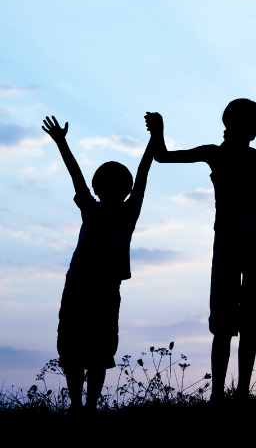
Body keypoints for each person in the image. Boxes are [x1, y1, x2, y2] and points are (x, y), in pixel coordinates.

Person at [145, 99, 256, 401]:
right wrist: (157, 131)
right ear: (240, 123)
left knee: (247, 314)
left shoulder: (253, 156)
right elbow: (162, 156)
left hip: (252, 234)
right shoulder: (217, 153)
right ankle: (220, 395)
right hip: (232, 234)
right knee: (226, 316)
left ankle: (237, 394)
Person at [42, 114, 154, 414]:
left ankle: (87, 406)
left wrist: (154, 140)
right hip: (79, 285)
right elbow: (76, 176)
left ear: (124, 189)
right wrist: (62, 143)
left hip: (101, 288)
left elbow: (143, 173)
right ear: (99, 187)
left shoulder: (127, 212)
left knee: (99, 350)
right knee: (74, 348)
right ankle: (80, 406)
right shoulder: (91, 209)